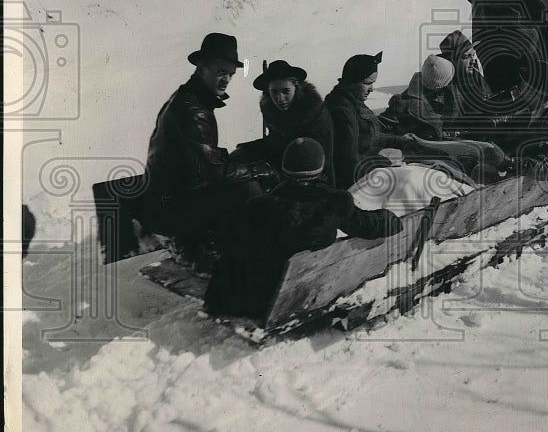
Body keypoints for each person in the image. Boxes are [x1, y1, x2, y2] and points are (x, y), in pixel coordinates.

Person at [204, 137, 402, 319]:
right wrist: (391, 219)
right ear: (320, 168)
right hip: (278, 302)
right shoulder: (331, 203)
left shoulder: (260, 204)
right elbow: (366, 226)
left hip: (233, 300)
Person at [142, 33, 274, 265]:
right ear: (202, 68)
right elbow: (214, 172)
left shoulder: (190, 98)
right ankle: (210, 252)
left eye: (230, 75)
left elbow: (203, 159)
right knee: (250, 190)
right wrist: (260, 169)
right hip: (169, 207)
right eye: (220, 72)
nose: (225, 80)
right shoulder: (193, 110)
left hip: (171, 193)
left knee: (242, 167)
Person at [382, 54, 509, 183]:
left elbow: (465, 113)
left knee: (492, 152)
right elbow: (384, 128)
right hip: (429, 153)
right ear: (438, 86)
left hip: (456, 144)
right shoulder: (403, 103)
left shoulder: (449, 88)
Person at [238, 60, 337, 186]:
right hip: (286, 172)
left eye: (285, 91)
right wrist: (245, 150)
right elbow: (276, 143)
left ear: (296, 87)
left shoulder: (315, 112)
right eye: (274, 92)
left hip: (315, 177)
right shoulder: (270, 110)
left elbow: (323, 157)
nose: (280, 98)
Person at [324, 51, 409, 188]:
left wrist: (401, 141)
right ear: (351, 81)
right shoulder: (341, 111)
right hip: (355, 183)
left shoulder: (353, 101)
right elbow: (348, 162)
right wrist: (385, 163)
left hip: (367, 170)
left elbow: (370, 135)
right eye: (367, 83)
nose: (372, 89)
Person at [438, 30, 490, 124]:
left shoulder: (475, 75)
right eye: (467, 56)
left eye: (473, 55)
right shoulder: (442, 84)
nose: (473, 60)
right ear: (451, 60)